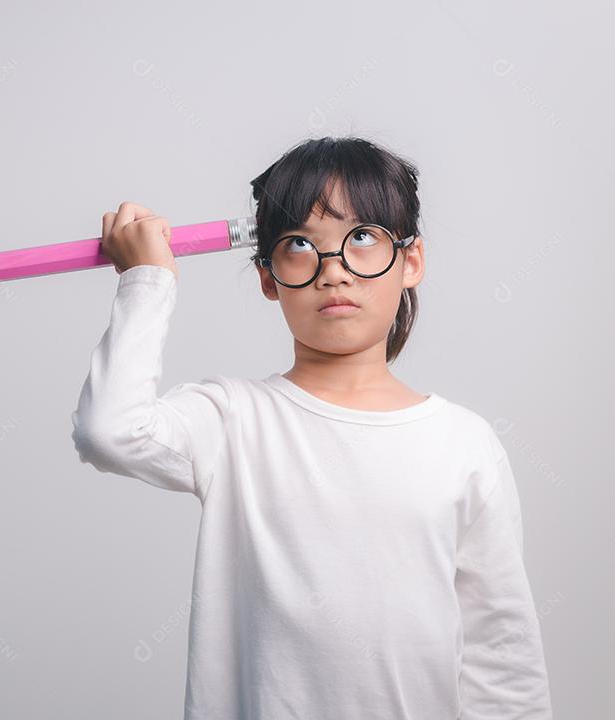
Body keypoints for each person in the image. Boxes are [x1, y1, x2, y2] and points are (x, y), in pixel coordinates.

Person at [70, 136, 553, 719]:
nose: (334, 271)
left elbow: (502, 657)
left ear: (411, 262)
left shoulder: (464, 443)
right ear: (268, 276)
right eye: (299, 244)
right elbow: (108, 431)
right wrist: (147, 280)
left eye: (363, 237)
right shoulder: (233, 420)